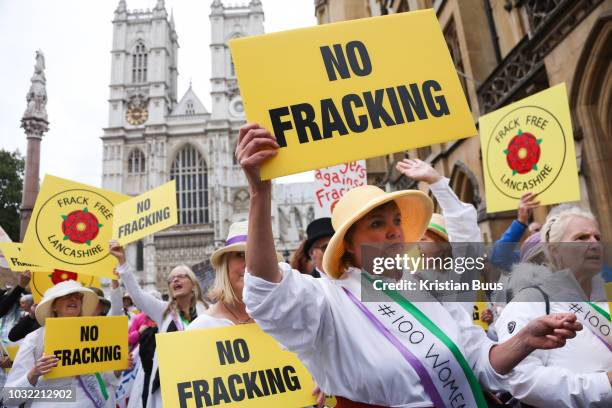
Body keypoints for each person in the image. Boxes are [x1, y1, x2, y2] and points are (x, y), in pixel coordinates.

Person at [236, 123, 584, 407]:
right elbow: (268, 290)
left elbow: (478, 361)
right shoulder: (328, 301)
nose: (392, 230)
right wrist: (260, 196)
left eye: (396, 220)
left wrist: (524, 340)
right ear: (348, 247)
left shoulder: (425, 289)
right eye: (375, 224)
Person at [188, 220, 325, 407]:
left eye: (257, 255)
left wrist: (320, 379)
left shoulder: (289, 320)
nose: (250, 264)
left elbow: (316, 366)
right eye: (240, 255)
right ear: (224, 266)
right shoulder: (198, 331)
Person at [495, 207, 612, 407]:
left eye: (597, 237)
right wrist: (603, 384)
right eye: (581, 238)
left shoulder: (605, 296)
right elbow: (521, 379)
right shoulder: (531, 299)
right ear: (555, 249)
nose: (594, 243)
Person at [108, 240, 207, 408]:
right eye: (171, 279)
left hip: (201, 381)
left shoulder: (209, 310)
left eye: (181, 276)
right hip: (169, 385)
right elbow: (138, 295)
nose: (175, 280)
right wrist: (123, 263)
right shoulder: (164, 312)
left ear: (193, 284)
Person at [3, 280, 120, 407]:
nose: (74, 299)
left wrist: (118, 369)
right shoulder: (35, 339)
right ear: (53, 306)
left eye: (78, 297)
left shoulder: (92, 336)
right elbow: (10, 398)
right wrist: (34, 373)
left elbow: (103, 379)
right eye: (66, 296)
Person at [491, 192, 541, 273]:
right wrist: (520, 221)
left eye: (542, 229)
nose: (539, 234)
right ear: (527, 234)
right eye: (536, 230)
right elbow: (499, 256)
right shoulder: (525, 256)